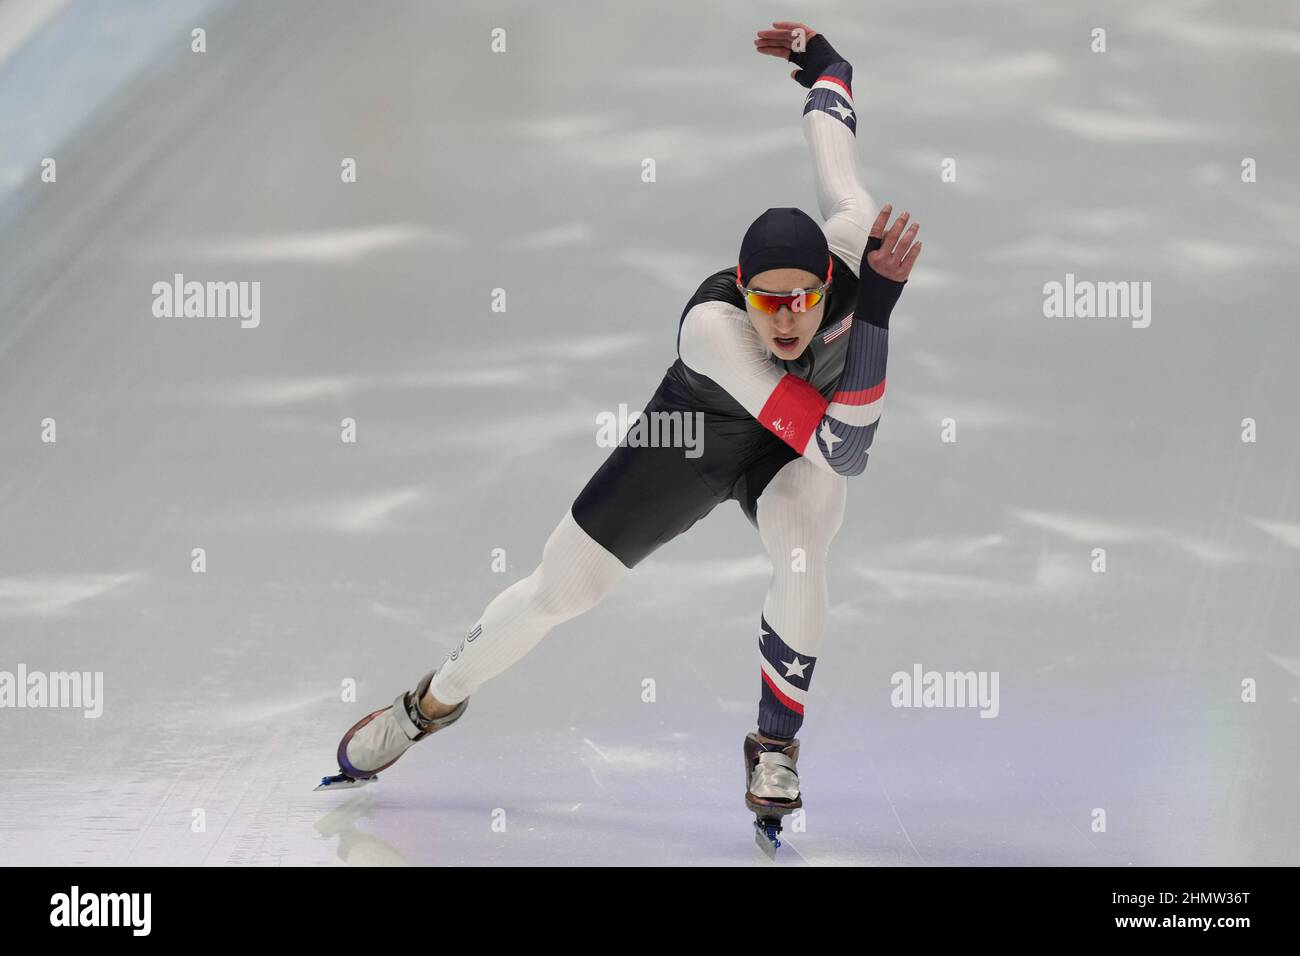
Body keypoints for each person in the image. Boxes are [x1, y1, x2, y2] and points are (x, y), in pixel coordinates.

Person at [323, 22, 922, 826]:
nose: (786, 322)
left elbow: (837, 148)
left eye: (805, 300)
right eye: (767, 301)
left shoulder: (852, 247)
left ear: (827, 281)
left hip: (792, 449)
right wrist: (878, 312)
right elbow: (844, 438)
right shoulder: (715, 332)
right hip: (693, 439)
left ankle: (775, 746)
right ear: (741, 292)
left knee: (804, 554)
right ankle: (428, 703)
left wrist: (827, 62)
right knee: (558, 591)